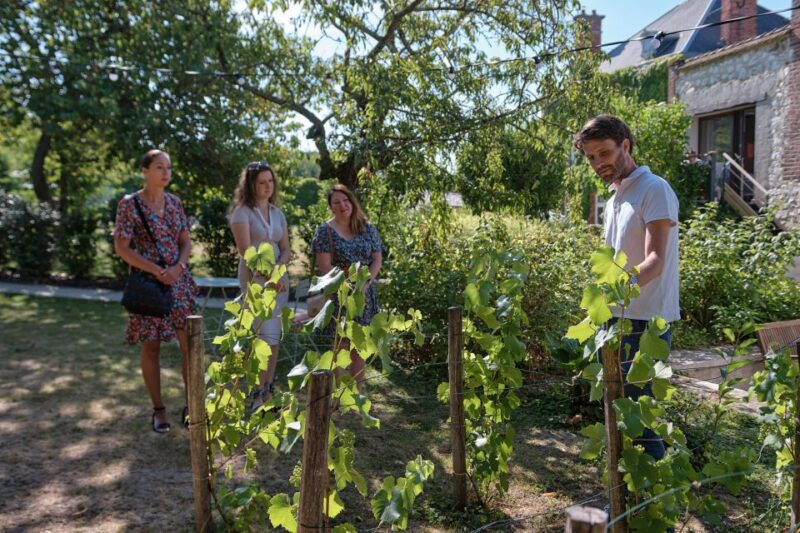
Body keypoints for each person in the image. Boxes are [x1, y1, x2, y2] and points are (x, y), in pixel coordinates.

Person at [574, 115, 680, 461]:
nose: (598, 164)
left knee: (640, 420)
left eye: (604, 154)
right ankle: (627, 502)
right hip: (616, 317)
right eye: (590, 157)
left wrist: (613, 294)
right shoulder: (618, 195)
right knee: (619, 414)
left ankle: (647, 504)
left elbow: (655, 260)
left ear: (625, 146)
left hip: (644, 320)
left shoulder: (654, 189)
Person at [114, 150, 198, 433]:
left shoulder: (175, 203)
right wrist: (155, 270)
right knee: (151, 346)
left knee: (190, 346)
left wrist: (179, 267)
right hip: (149, 287)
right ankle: (159, 411)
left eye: (169, 168)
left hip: (178, 283)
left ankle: (192, 407)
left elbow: (185, 241)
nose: (165, 173)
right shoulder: (129, 205)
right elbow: (122, 248)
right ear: (145, 171)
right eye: (159, 167)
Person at [229, 161, 291, 412]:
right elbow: (246, 252)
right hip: (255, 280)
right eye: (261, 182)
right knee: (260, 338)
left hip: (279, 280)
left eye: (270, 181)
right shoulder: (241, 213)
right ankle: (255, 394)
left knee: (273, 337)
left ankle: (268, 389)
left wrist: (278, 273)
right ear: (251, 184)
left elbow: (286, 249)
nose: (267, 186)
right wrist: (268, 278)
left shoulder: (278, 213)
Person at [311, 184, 383, 393]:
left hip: (364, 295)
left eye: (345, 200)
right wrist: (348, 282)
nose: (342, 205)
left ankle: (355, 396)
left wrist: (366, 282)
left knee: (359, 348)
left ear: (352, 202)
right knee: (340, 346)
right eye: (336, 202)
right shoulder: (325, 231)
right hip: (339, 294)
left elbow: (377, 258)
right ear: (331, 207)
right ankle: (338, 396)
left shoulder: (367, 227)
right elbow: (324, 265)